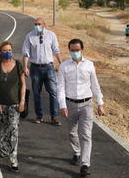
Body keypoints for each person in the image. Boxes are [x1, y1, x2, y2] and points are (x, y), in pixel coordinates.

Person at [57, 39, 104, 177]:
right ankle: (77, 152)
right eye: (72, 50)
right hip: (70, 104)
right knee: (72, 133)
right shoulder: (64, 66)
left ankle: (85, 164)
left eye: (77, 50)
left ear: (82, 49)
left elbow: (95, 85)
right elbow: (60, 87)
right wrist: (62, 105)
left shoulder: (89, 65)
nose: (75, 52)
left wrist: (100, 103)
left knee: (86, 134)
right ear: (69, 50)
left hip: (87, 104)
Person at [0, 41, 26, 172]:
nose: (7, 52)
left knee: (14, 129)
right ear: (0, 52)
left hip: (15, 104)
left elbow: (23, 85)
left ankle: (13, 159)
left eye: (9, 50)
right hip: (1, 104)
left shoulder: (18, 65)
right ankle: (4, 147)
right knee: (2, 130)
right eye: (4, 50)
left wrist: (22, 101)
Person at [22, 17, 62, 126]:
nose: (37, 26)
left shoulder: (51, 35)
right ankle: (39, 115)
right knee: (36, 93)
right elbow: (26, 53)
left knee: (53, 92)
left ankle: (55, 116)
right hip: (35, 68)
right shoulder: (29, 36)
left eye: (39, 24)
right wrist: (25, 67)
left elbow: (56, 50)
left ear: (44, 24)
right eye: (35, 24)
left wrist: (61, 63)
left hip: (49, 67)